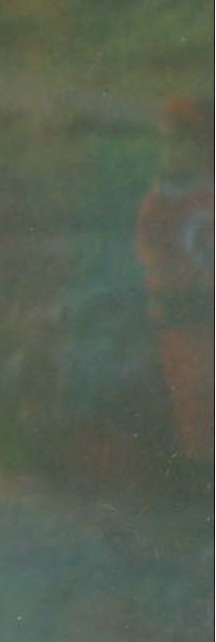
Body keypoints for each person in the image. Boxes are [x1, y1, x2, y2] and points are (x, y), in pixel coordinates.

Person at [139, 96, 212, 467]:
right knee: (193, 393)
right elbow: (157, 261)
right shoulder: (161, 203)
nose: (170, 151)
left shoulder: (208, 195)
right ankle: (201, 471)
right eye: (166, 142)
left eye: (180, 142)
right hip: (184, 315)